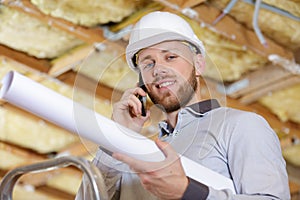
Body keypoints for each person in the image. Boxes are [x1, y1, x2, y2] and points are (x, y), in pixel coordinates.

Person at [76, 11, 290, 199]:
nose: (158, 69)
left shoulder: (240, 125)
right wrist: (118, 136)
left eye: (170, 56)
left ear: (198, 65)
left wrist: (187, 192)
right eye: (148, 63)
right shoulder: (135, 153)